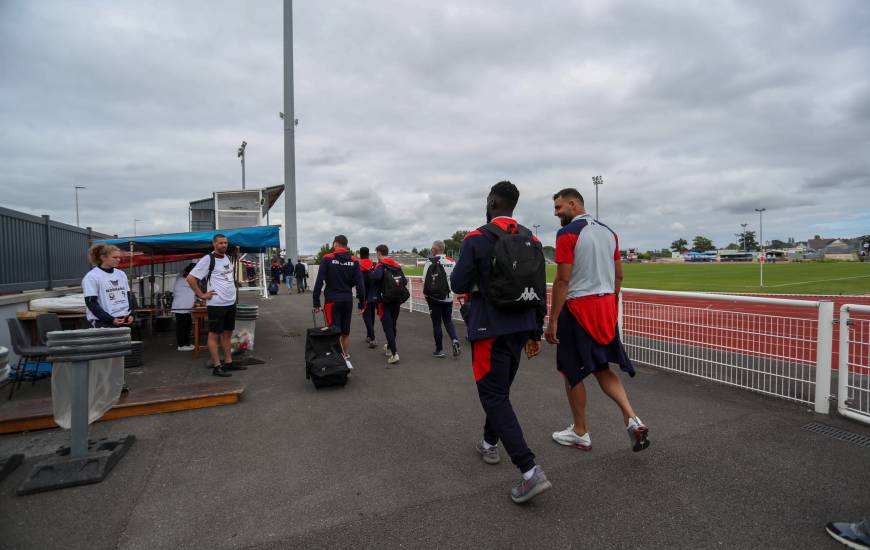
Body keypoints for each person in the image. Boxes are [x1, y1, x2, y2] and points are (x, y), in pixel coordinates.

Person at [450, 180, 550, 504]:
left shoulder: (477, 238)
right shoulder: (531, 238)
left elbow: (458, 282)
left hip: (490, 329)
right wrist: (535, 333)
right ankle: (489, 442)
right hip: (521, 327)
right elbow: (539, 290)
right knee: (500, 392)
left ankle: (529, 469)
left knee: (492, 395)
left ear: (492, 202)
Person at [545, 188, 649, 453]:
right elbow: (619, 276)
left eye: (558, 208)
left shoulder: (567, 233)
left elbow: (563, 280)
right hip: (605, 306)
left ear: (573, 204)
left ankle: (581, 431)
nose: (556, 213)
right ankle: (632, 418)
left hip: (579, 307)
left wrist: (553, 320)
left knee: (572, 371)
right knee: (602, 367)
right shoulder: (608, 232)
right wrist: (610, 303)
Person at [187, 234, 246, 377]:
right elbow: (190, 278)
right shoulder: (208, 259)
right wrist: (201, 294)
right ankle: (217, 366)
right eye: (220, 243)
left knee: (227, 333)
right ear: (214, 244)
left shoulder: (226, 258)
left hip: (230, 302)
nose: (224, 245)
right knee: (214, 335)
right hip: (217, 304)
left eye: (225, 243)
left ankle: (228, 362)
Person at [83, 243, 136, 393]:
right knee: (105, 355)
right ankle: (103, 387)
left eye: (119, 257)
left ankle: (118, 383)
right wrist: (109, 319)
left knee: (119, 355)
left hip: (123, 319)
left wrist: (132, 313)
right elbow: (91, 303)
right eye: (115, 257)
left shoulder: (121, 274)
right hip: (104, 322)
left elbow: (128, 296)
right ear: (103, 257)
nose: (118, 260)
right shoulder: (92, 277)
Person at [312, 235, 365, 362]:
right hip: (347, 299)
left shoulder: (327, 258)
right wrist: (362, 303)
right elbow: (360, 284)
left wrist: (316, 302)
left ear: (335, 244)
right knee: (345, 332)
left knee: (332, 331)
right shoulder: (354, 261)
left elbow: (319, 281)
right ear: (346, 245)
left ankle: (335, 360)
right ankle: (345, 356)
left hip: (332, 300)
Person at [423, 240, 461, 358]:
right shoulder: (452, 262)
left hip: (434, 297)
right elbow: (456, 278)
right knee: (448, 320)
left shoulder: (430, 262)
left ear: (435, 249)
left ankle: (439, 350)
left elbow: (424, 280)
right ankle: (455, 340)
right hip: (448, 297)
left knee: (437, 324)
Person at [370, 244, 407, 365]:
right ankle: (390, 347)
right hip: (397, 299)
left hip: (384, 300)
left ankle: (394, 353)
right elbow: (404, 281)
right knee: (393, 324)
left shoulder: (381, 265)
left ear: (379, 253)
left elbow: (375, 277)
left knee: (387, 327)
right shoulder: (396, 265)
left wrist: (372, 272)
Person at [171, 263, 197, 352]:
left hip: (184, 308)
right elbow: (197, 290)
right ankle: (181, 345)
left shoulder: (182, 278)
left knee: (187, 326)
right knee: (182, 327)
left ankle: (186, 343)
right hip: (181, 307)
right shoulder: (185, 280)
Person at [358, 247, 378, 348]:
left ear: (360, 254)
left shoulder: (358, 266)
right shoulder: (374, 265)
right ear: (368, 254)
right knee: (372, 316)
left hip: (364, 295)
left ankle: (373, 338)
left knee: (366, 317)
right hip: (375, 294)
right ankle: (369, 335)